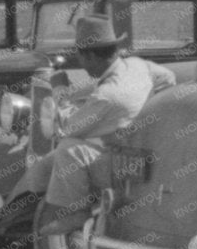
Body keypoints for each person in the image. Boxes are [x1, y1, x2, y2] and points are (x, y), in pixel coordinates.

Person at [31, 13, 177, 237]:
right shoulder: (138, 66)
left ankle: (76, 212)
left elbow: (68, 127)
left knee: (69, 149)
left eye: (80, 57)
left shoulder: (107, 95)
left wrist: (60, 91)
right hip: (146, 150)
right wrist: (146, 111)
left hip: (126, 165)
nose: (80, 63)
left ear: (89, 56)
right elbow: (168, 78)